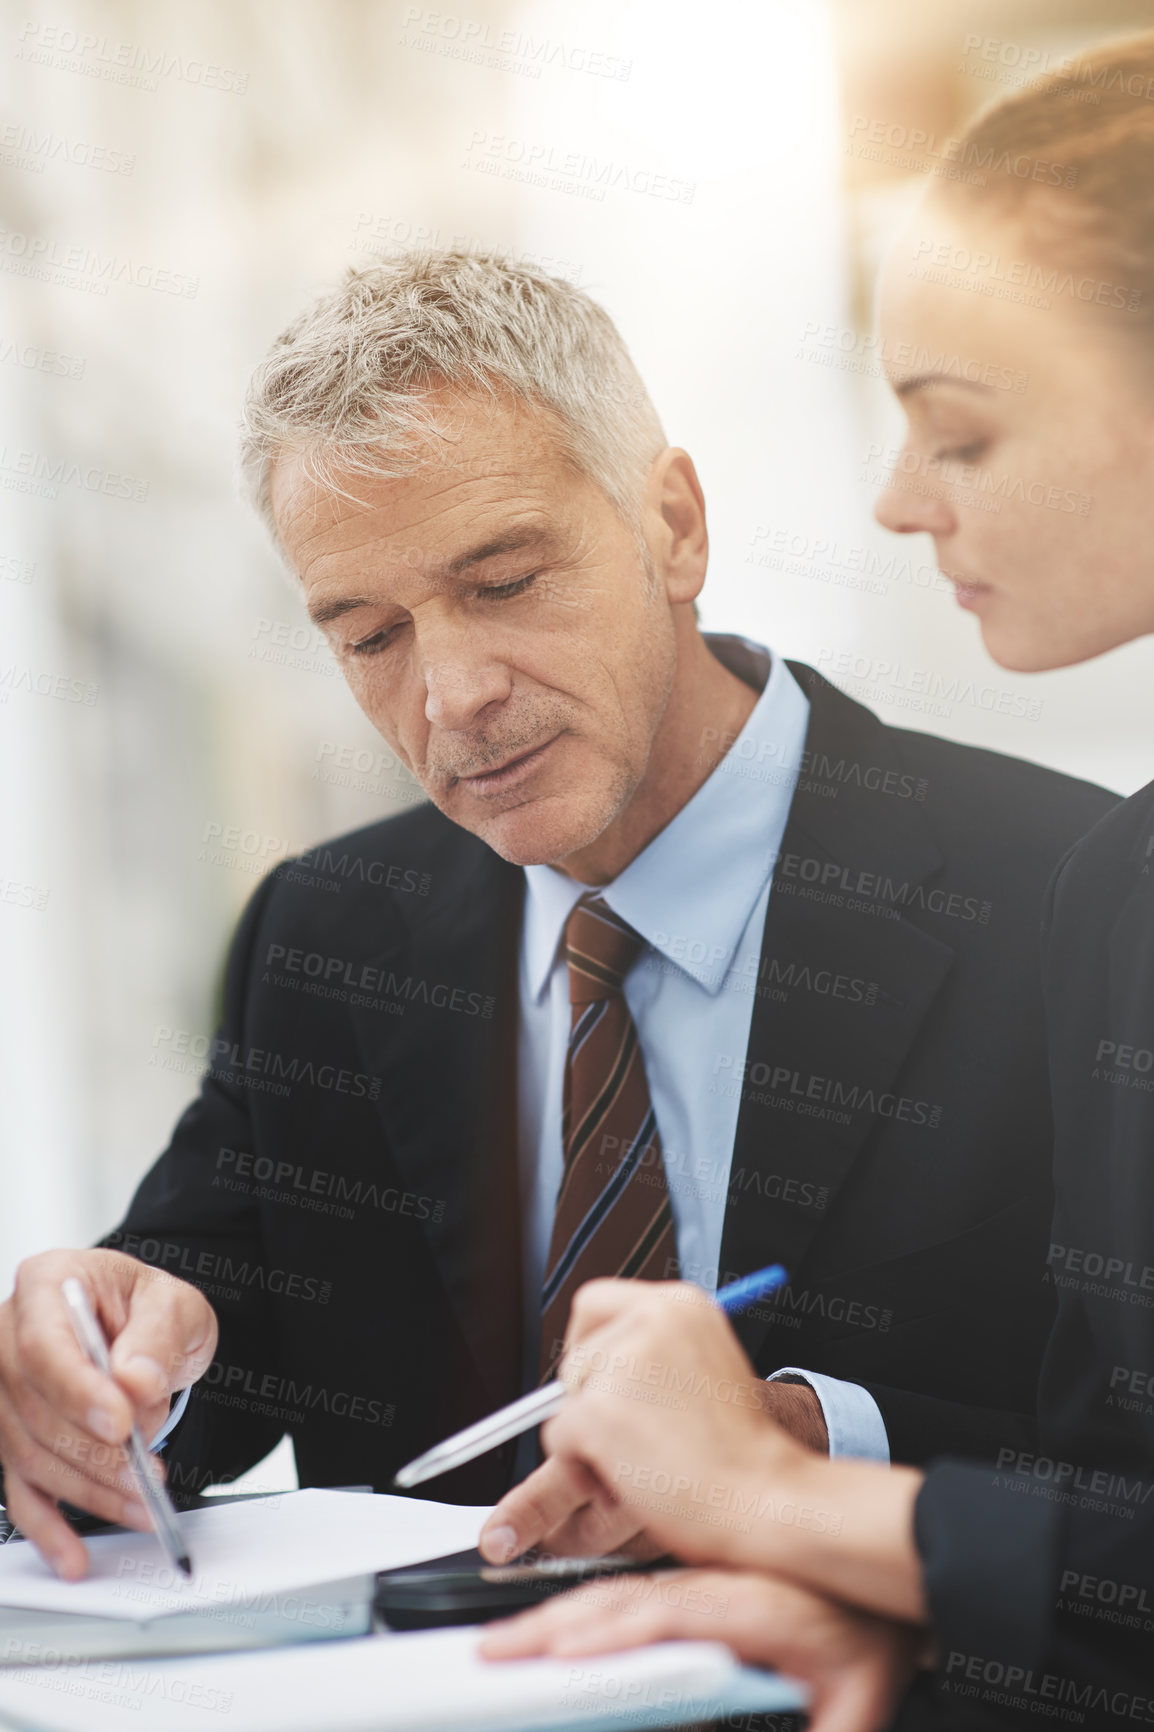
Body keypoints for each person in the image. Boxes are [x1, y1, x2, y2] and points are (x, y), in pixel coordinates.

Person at [0, 256, 1110, 1596]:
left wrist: (812, 1444)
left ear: (675, 527)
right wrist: (96, 1383)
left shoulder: (1072, 893)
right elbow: (180, 1365)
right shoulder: (332, 933)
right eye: (368, 638)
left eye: (504, 581)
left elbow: (1123, 1476)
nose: (451, 695)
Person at [478, 30, 1154, 1730]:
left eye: (964, 434)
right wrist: (885, 1610)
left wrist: (786, 1506)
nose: (896, 500)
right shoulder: (1121, 885)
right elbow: (1112, 1546)